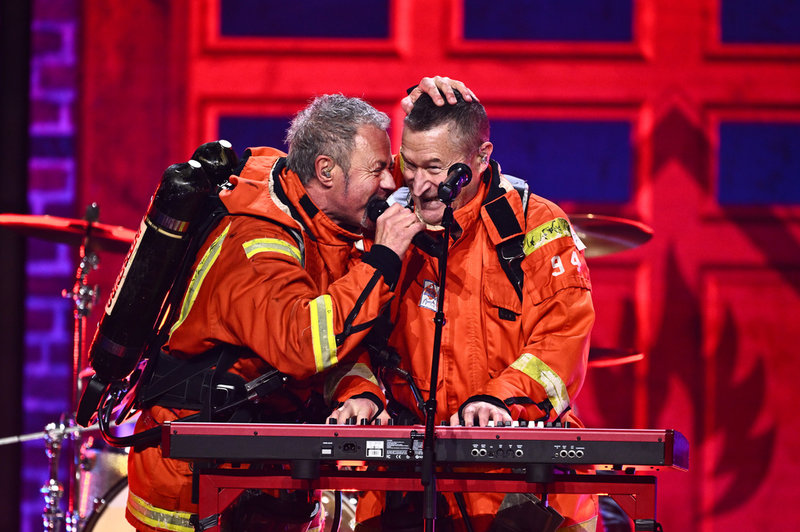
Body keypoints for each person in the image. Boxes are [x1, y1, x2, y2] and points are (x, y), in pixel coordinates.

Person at [124, 78, 475, 532]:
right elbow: (307, 347)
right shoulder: (258, 242)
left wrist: (359, 393)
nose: (392, 182)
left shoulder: (318, 223)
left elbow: (341, 340)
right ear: (326, 170)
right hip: (194, 479)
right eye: (377, 170)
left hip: (258, 468)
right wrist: (384, 259)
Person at [356, 89, 597, 531]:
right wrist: (359, 392)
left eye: (435, 168)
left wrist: (498, 399)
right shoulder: (383, 227)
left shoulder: (535, 226)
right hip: (406, 483)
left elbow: (563, 339)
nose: (418, 185)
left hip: (520, 484)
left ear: (481, 157)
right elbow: (349, 335)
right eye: (409, 164)